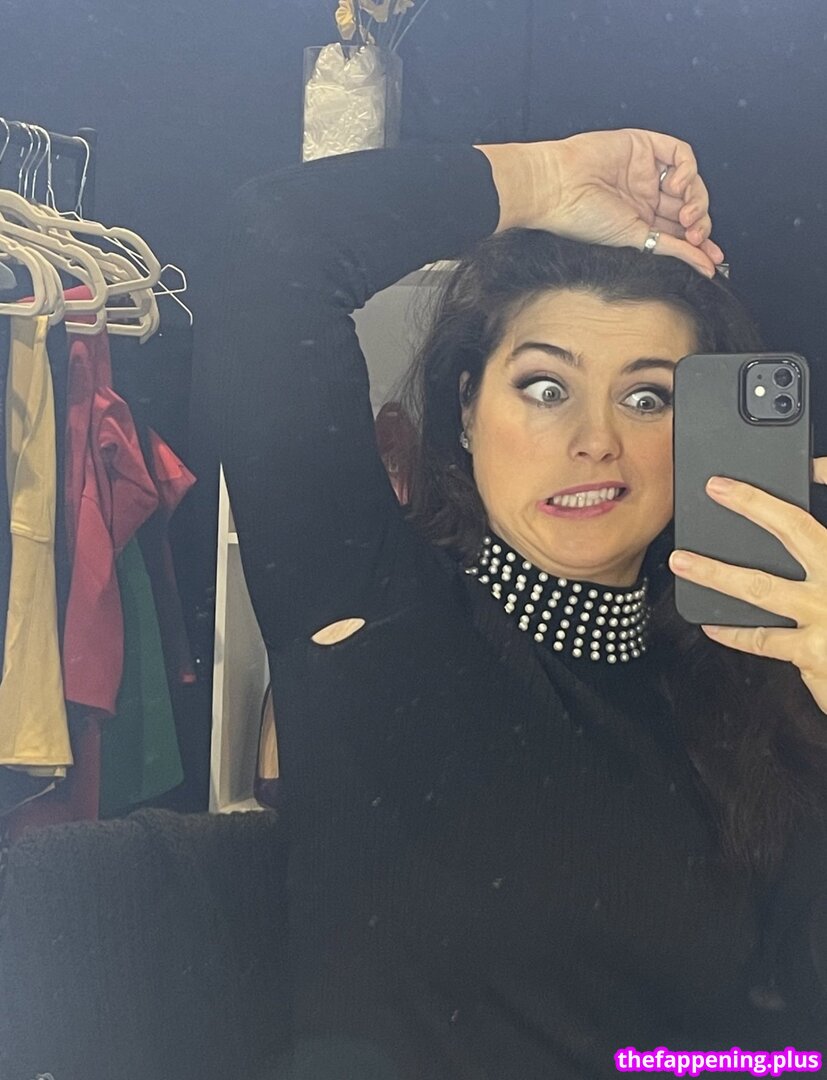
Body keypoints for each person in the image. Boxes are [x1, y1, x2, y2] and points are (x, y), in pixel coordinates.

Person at [202, 130, 827, 1079]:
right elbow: (269, 243)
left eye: (647, 400)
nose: (594, 440)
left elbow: (789, 1039)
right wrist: (546, 178)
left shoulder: (758, 695)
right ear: (466, 410)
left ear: (698, 435)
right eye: (544, 387)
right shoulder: (367, 608)